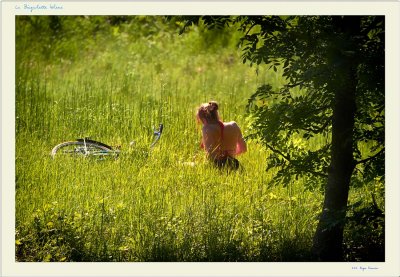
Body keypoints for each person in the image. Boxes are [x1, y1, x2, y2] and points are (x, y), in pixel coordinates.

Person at [196, 101, 247, 170]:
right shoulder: (233, 125)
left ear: (204, 119)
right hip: (234, 165)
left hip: (216, 166)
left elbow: (210, 156)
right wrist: (229, 157)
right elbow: (243, 149)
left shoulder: (207, 128)